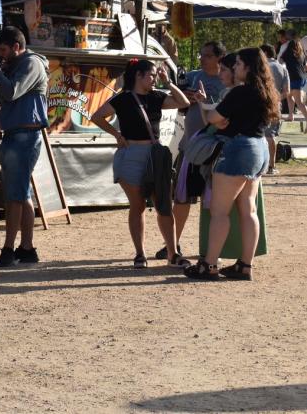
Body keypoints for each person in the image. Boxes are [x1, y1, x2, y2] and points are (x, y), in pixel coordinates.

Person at [185, 48, 279, 281]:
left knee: (219, 212)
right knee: (249, 209)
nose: (233, 68)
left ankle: (209, 265)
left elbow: (215, 119)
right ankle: (245, 265)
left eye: (237, 64)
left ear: (247, 67)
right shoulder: (265, 92)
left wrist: (217, 114)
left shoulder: (240, 92)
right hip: (259, 149)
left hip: (238, 149)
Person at [91, 59, 191, 268]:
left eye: (156, 75)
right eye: (152, 74)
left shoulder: (157, 96)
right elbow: (97, 116)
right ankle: (140, 254)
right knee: (138, 206)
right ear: (138, 75)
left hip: (154, 154)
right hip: (131, 154)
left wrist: (169, 82)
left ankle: (173, 253)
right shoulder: (123, 98)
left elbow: (184, 103)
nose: (155, 78)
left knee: (163, 204)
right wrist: (117, 135)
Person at [156, 41, 226, 260]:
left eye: (207, 55)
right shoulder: (195, 76)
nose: (202, 59)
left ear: (219, 58)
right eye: (201, 55)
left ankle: (212, 248)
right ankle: (173, 245)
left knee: (214, 201)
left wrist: (206, 101)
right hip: (190, 146)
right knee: (182, 198)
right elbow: (182, 106)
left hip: (216, 149)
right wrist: (185, 96)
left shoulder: (227, 80)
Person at [0, 26, 48, 266]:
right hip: (17, 133)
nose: (0, 55)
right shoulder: (16, 64)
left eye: (3, 50)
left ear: (16, 46)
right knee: (22, 193)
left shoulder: (31, 63)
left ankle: (9, 249)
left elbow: (11, 92)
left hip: (24, 134)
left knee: (15, 194)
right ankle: (27, 247)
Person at [260, 44, 290, 175]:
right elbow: (287, 91)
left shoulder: (261, 67)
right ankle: (271, 166)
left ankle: (261, 165)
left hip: (259, 104)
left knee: (257, 134)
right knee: (270, 136)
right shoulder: (282, 68)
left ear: (265, 53)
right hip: (275, 105)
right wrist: (276, 99)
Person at [278, 30, 307, 121]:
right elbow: (305, 65)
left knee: (299, 102)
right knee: (289, 95)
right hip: (300, 76)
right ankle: (291, 115)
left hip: (294, 76)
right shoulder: (300, 50)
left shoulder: (287, 47)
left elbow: (280, 60)